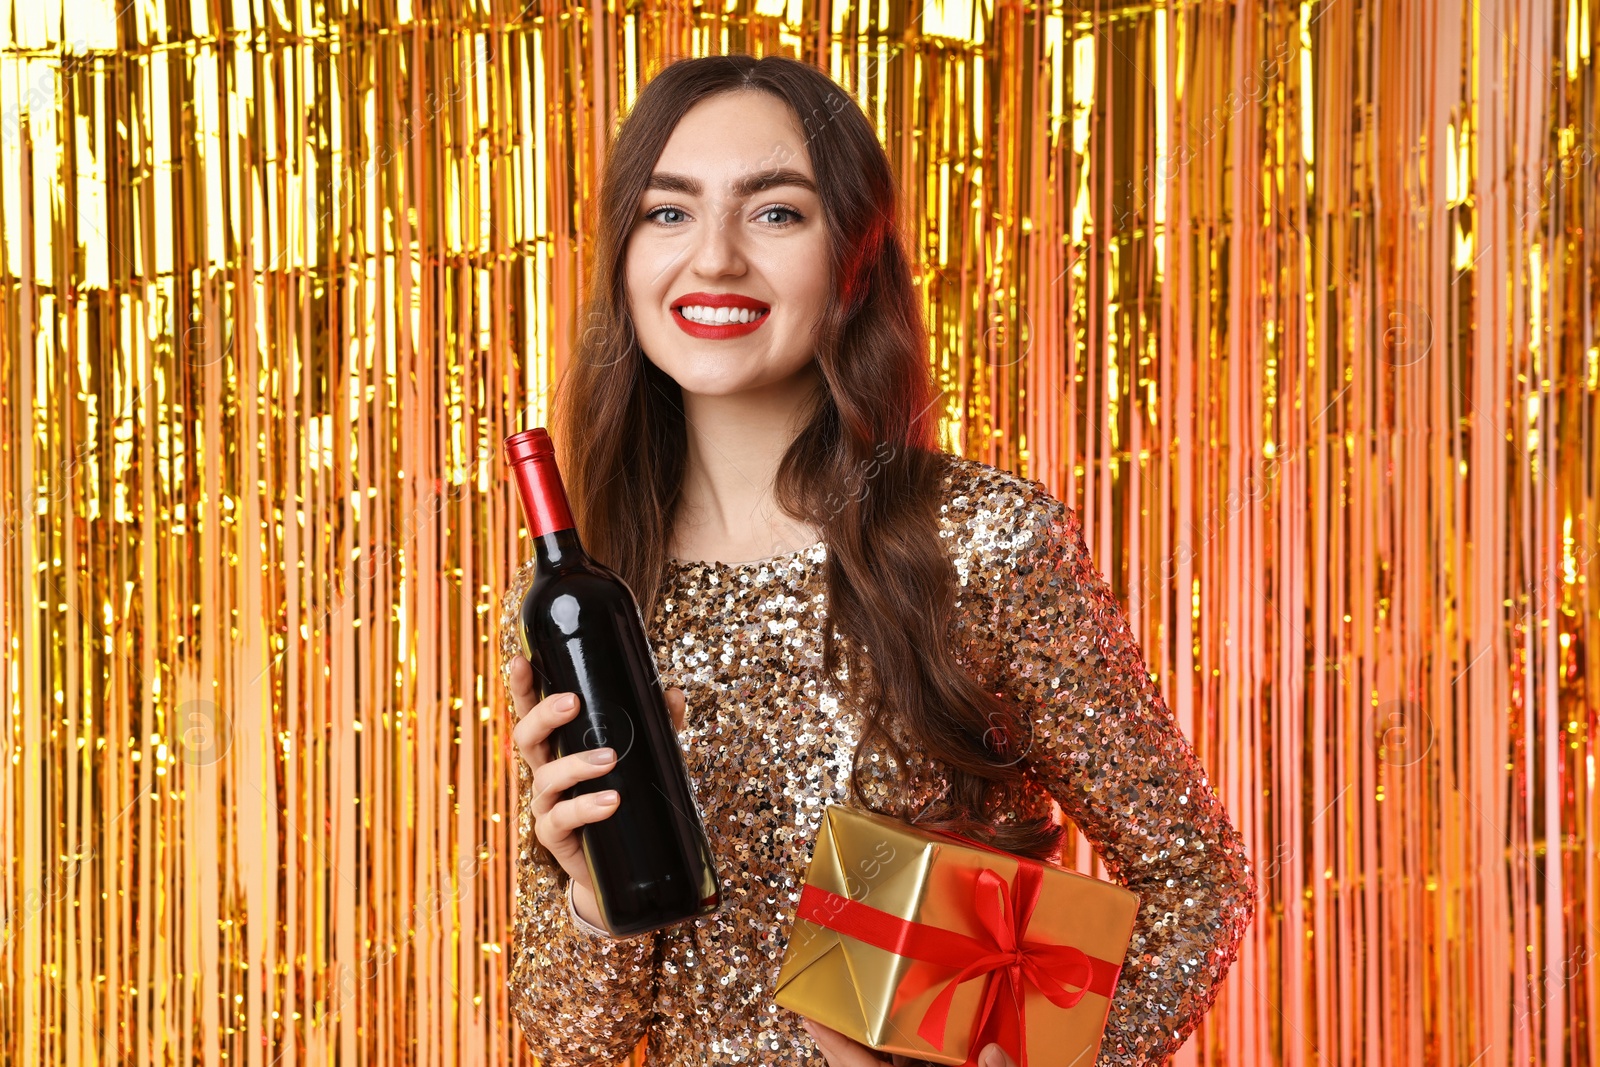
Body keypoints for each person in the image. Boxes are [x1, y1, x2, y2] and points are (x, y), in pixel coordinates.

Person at [501, 53, 1256, 1067]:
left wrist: (1064, 1059)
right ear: (622, 256)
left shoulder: (979, 543)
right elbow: (573, 1042)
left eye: (776, 213)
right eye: (667, 212)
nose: (714, 258)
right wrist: (591, 897)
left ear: (853, 255)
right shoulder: (589, 604)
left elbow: (1194, 875)